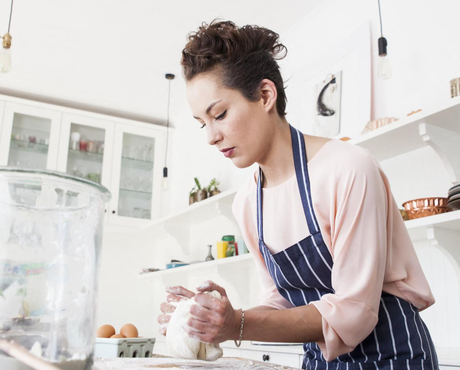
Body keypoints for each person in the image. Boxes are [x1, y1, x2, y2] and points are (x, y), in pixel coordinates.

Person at [158, 20, 438, 370]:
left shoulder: (348, 169)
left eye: (220, 114)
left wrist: (237, 323)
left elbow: (356, 311)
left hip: (393, 356)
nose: (211, 136)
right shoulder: (247, 203)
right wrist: (211, 320)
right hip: (319, 362)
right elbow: (278, 305)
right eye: (203, 123)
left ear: (264, 95)